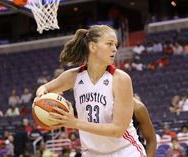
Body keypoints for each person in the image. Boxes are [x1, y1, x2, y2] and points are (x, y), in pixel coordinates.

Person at [35, 25, 146, 157]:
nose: (114, 49)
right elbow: (44, 88)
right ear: (93, 47)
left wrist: (75, 123)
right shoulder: (73, 76)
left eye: (115, 45)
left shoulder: (121, 79)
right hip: (91, 153)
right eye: (109, 44)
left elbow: (118, 129)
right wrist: (40, 97)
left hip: (125, 150)